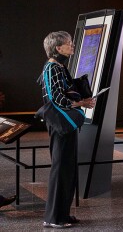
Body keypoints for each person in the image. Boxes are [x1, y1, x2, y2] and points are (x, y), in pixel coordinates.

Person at [39, 31, 96, 229]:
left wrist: (81, 101)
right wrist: (81, 102)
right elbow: (57, 99)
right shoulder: (53, 68)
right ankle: (54, 217)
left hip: (64, 125)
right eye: (69, 43)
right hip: (61, 125)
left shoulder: (59, 67)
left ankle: (62, 213)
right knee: (61, 167)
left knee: (67, 168)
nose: (72, 46)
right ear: (58, 48)